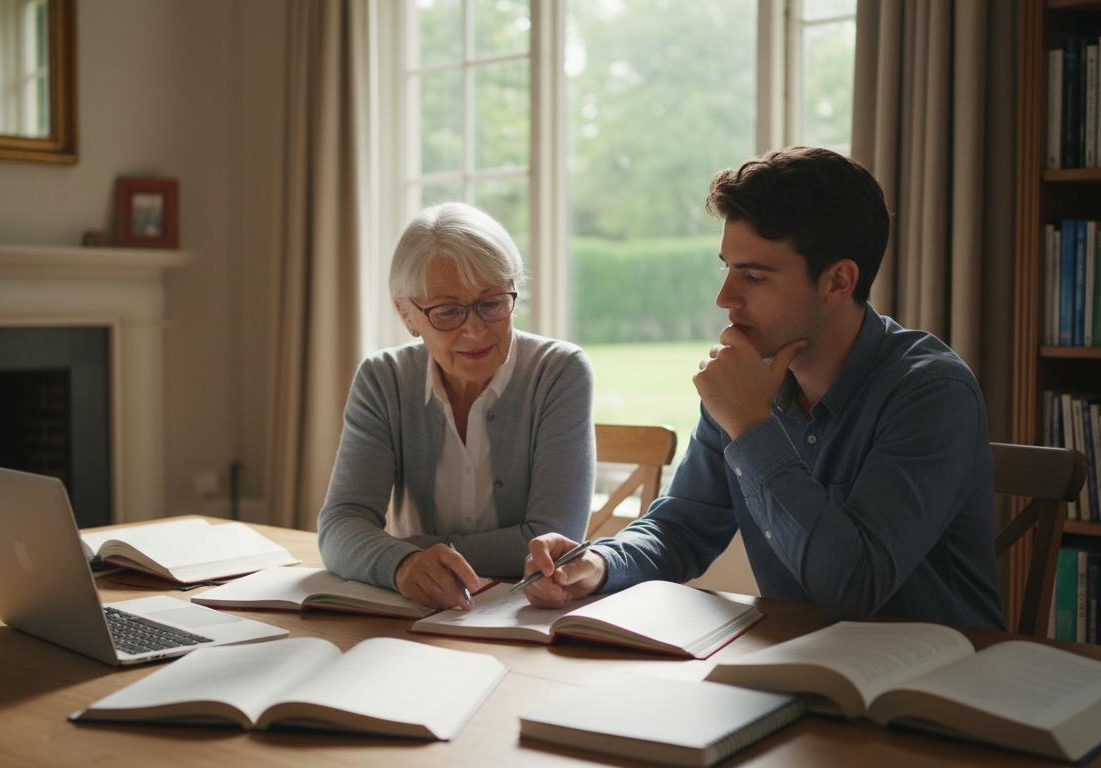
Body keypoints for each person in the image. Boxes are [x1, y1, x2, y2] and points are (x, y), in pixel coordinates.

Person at [522, 147, 1005, 630]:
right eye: (727, 268)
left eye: (753, 275)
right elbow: (681, 529)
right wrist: (599, 563)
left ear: (838, 280)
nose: (724, 298)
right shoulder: (746, 381)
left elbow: (854, 589)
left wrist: (751, 424)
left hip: (936, 685)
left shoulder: (931, 392)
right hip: (799, 665)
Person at [318, 202, 595, 611]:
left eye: (492, 303)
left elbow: (551, 538)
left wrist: (406, 551)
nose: (475, 330)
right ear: (407, 314)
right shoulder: (384, 379)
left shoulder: (559, 372)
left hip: (525, 613)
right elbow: (341, 525)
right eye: (448, 311)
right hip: (421, 613)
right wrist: (403, 565)